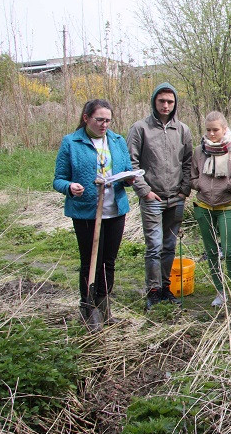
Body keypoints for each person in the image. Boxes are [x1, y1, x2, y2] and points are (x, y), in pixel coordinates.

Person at [54, 99, 135, 330]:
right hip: (86, 212)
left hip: (115, 209)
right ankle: (88, 309)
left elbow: (126, 169)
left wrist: (128, 179)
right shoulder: (71, 142)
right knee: (91, 261)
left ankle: (104, 305)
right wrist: (70, 187)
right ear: (86, 118)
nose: (104, 125)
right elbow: (58, 179)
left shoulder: (117, 141)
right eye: (99, 119)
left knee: (108, 261)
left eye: (108, 120)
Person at [128, 83, 192, 310]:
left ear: (175, 104)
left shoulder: (182, 129)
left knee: (169, 245)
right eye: (161, 101)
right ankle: (153, 291)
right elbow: (132, 164)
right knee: (154, 246)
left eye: (170, 102)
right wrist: (145, 192)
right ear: (154, 101)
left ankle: (166, 287)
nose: (165, 106)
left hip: (176, 198)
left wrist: (185, 190)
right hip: (152, 198)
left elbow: (188, 162)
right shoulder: (140, 129)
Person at [190, 111, 231, 309]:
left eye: (216, 130)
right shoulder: (198, 151)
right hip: (203, 206)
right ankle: (220, 292)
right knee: (212, 251)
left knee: (229, 251)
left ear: (224, 129)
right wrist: (201, 185)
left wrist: (229, 185)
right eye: (208, 130)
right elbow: (192, 176)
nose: (212, 134)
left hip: (226, 206)